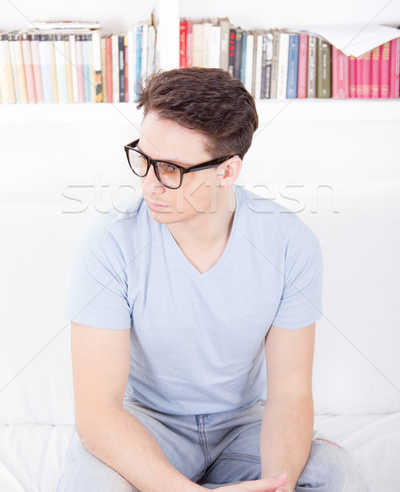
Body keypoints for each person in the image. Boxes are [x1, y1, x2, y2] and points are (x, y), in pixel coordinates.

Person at [57, 68, 369, 492]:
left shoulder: (289, 243)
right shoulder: (110, 243)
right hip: (148, 427)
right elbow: (97, 413)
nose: (150, 183)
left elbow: (290, 395)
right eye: (143, 158)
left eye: (170, 168)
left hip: (243, 429)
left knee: (335, 473)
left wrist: (277, 484)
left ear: (227, 171)